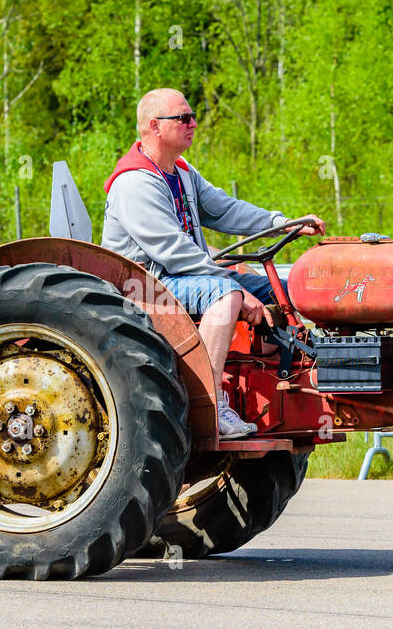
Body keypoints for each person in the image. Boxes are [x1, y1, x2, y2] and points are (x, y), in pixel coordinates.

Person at [101, 87, 325, 438]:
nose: (193, 123)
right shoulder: (134, 183)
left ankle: (287, 382)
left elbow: (225, 209)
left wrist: (284, 224)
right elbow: (173, 251)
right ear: (154, 127)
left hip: (184, 279)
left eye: (193, 117)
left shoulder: (182, 172)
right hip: (146, 286)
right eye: (184, 118)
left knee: (283, 290)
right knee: (226, 294)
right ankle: (208, 403)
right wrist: (235, 286)